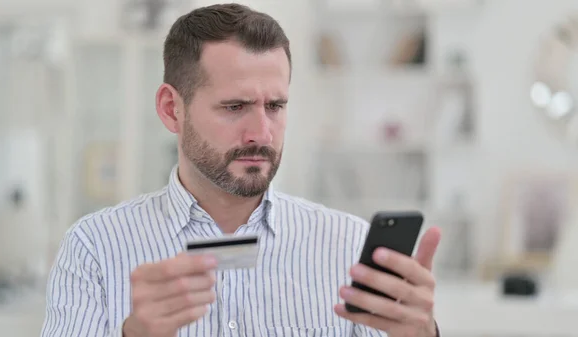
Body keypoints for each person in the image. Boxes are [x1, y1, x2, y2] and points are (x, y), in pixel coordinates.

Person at [40, 3, 442, 337]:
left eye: (275, 106)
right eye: (234, 107)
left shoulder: (349, 248)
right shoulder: (93, 248)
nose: (261, 133)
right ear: (170, 109)